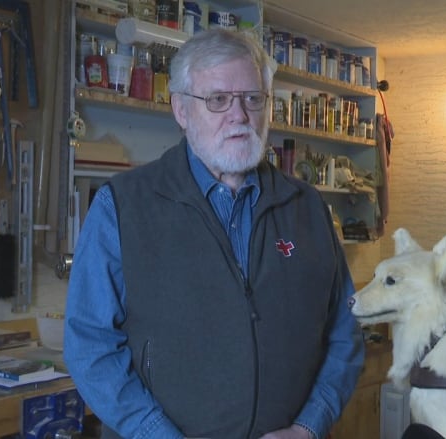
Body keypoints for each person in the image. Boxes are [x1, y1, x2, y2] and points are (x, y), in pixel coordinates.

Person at [64, 28, 364, 439]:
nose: (239, 115)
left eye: (252, 99)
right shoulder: (123, 207)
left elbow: (344, 333)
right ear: (182, 111)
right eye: (218, 100)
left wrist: (308, 427)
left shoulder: (308, 208)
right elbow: (90, 347)